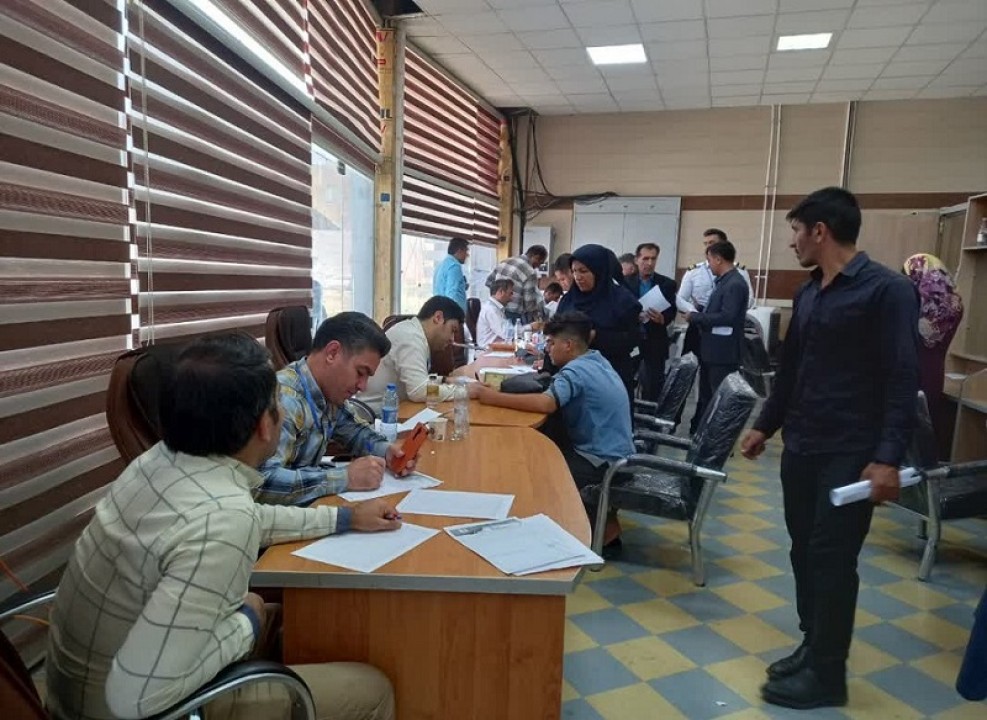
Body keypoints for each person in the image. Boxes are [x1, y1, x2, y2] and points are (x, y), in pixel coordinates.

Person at [45, 333, 399, 720]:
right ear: (264, 425)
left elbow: (253, 518)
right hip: (136, 707)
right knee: (372, 689)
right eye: (278, 406)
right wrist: (248, 621)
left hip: (78, 689)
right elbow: (139, 696)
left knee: (294, 622)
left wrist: (346, 518)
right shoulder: (224, 516)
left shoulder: (157, 462)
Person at [740, 187, 919, 710]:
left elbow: (902, 377)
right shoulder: (809, 292)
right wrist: (766, 425)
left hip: (851, 450)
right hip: (802, 444)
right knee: (803, 549)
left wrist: (887, 457)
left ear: (820, 231)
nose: (792, 241)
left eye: (797, 231)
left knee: (832, 557)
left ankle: (828, 675)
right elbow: (792, 369)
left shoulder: (887, 291)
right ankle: (812, 644)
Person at [475, 312, 633, 552]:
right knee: (545, 442)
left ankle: (579, 533)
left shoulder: (576, 371)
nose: (547, 348)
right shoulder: (596, 359)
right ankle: (603, 527)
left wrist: (489, 397)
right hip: (619, 454)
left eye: (550, 342)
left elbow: (547, 404)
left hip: (602, 462)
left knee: (531, 468)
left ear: (568, 345)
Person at [258, 312, 419, 505]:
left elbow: (356, 433)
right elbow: (263, 483)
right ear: (332, 353)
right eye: (360, 372)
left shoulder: (328, 392)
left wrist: (387, 452)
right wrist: (344, 477)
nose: (363, 386)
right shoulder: (286, 400)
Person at [359, 295, 480, 413]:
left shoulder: (415, 334)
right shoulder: (410, 337)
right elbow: (419, 390)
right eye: (452, 330)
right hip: (372, 415)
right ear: (438, 318)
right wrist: (465, 391)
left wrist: (444, 380)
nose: (452, 339)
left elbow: (417, 380)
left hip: (391, 410)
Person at [556, 244, 641, 403]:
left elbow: (634, 338)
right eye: (574, 271)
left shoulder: (622, 301)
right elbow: (556, 332)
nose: (578, 277)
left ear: (599, 271)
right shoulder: (569, 300)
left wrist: (597, 337)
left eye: (583, 271)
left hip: (610, 378)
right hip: (572, 377)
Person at [902, 253, 964, 455]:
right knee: (925, 434)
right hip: (934, 377)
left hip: (908, 375)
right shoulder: (952, 304)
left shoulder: (913, 304)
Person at [685, 239, 749, 429]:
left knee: (720, 398)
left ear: (719, 259)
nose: (709, 265)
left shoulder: (734, 283)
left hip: (722, 353)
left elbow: (728, 316)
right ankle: (705, 433)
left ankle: (717, 437)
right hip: (712, 351)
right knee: (708, 397)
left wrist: (696, 317)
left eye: (710, 260)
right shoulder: (724, 282)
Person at [624, 242, 677, 403]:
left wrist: (663, 319)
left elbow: (672, 311)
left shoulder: (667, 284)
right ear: (636, 260)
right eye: (645, 259)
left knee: (653, 385)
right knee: (625, 381)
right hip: (630, 340)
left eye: (653, 259)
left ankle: (650, 413)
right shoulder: (625, 283)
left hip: (655, 340)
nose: (649, 263)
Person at [486, 244, 548, 323]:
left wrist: (499, 296)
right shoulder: (530, 272)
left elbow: (489, 282)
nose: (538, 267)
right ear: (536, 257)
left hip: (495, 309)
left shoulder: (505, 261)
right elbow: (529, 302)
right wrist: (536, 315)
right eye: (540, 263)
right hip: (513, 314)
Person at [432, 236, 470, 313]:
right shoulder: (454, 266)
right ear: (459, 251)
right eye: (466, 251)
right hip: (452, 313)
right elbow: (452, 294)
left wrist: (462, 286)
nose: (467, 255)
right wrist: (453, 315)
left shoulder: (441, 265)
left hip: (440, 309)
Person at [476, 278, 515, 347]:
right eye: (510, 294)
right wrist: (530, 327)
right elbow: (507, 334)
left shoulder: (495, 308)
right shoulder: (491, 310)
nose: (512, 298)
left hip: (498, 347)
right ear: (501, 292)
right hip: (490, 350)